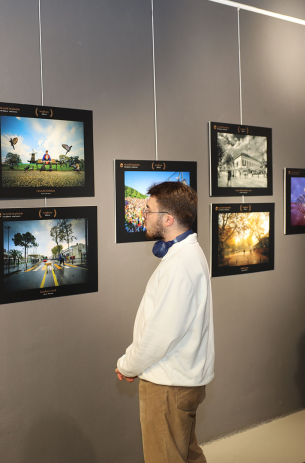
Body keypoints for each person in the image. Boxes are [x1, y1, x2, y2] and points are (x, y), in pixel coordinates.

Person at [115, 181, 214, 463]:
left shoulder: (179, 265)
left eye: (148, 210)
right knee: (188, 455)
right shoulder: (188, 254)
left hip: (167, 387)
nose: (144, 215)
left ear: (167, 219)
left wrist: (128, 365)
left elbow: (159, 336)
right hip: (181, 380)